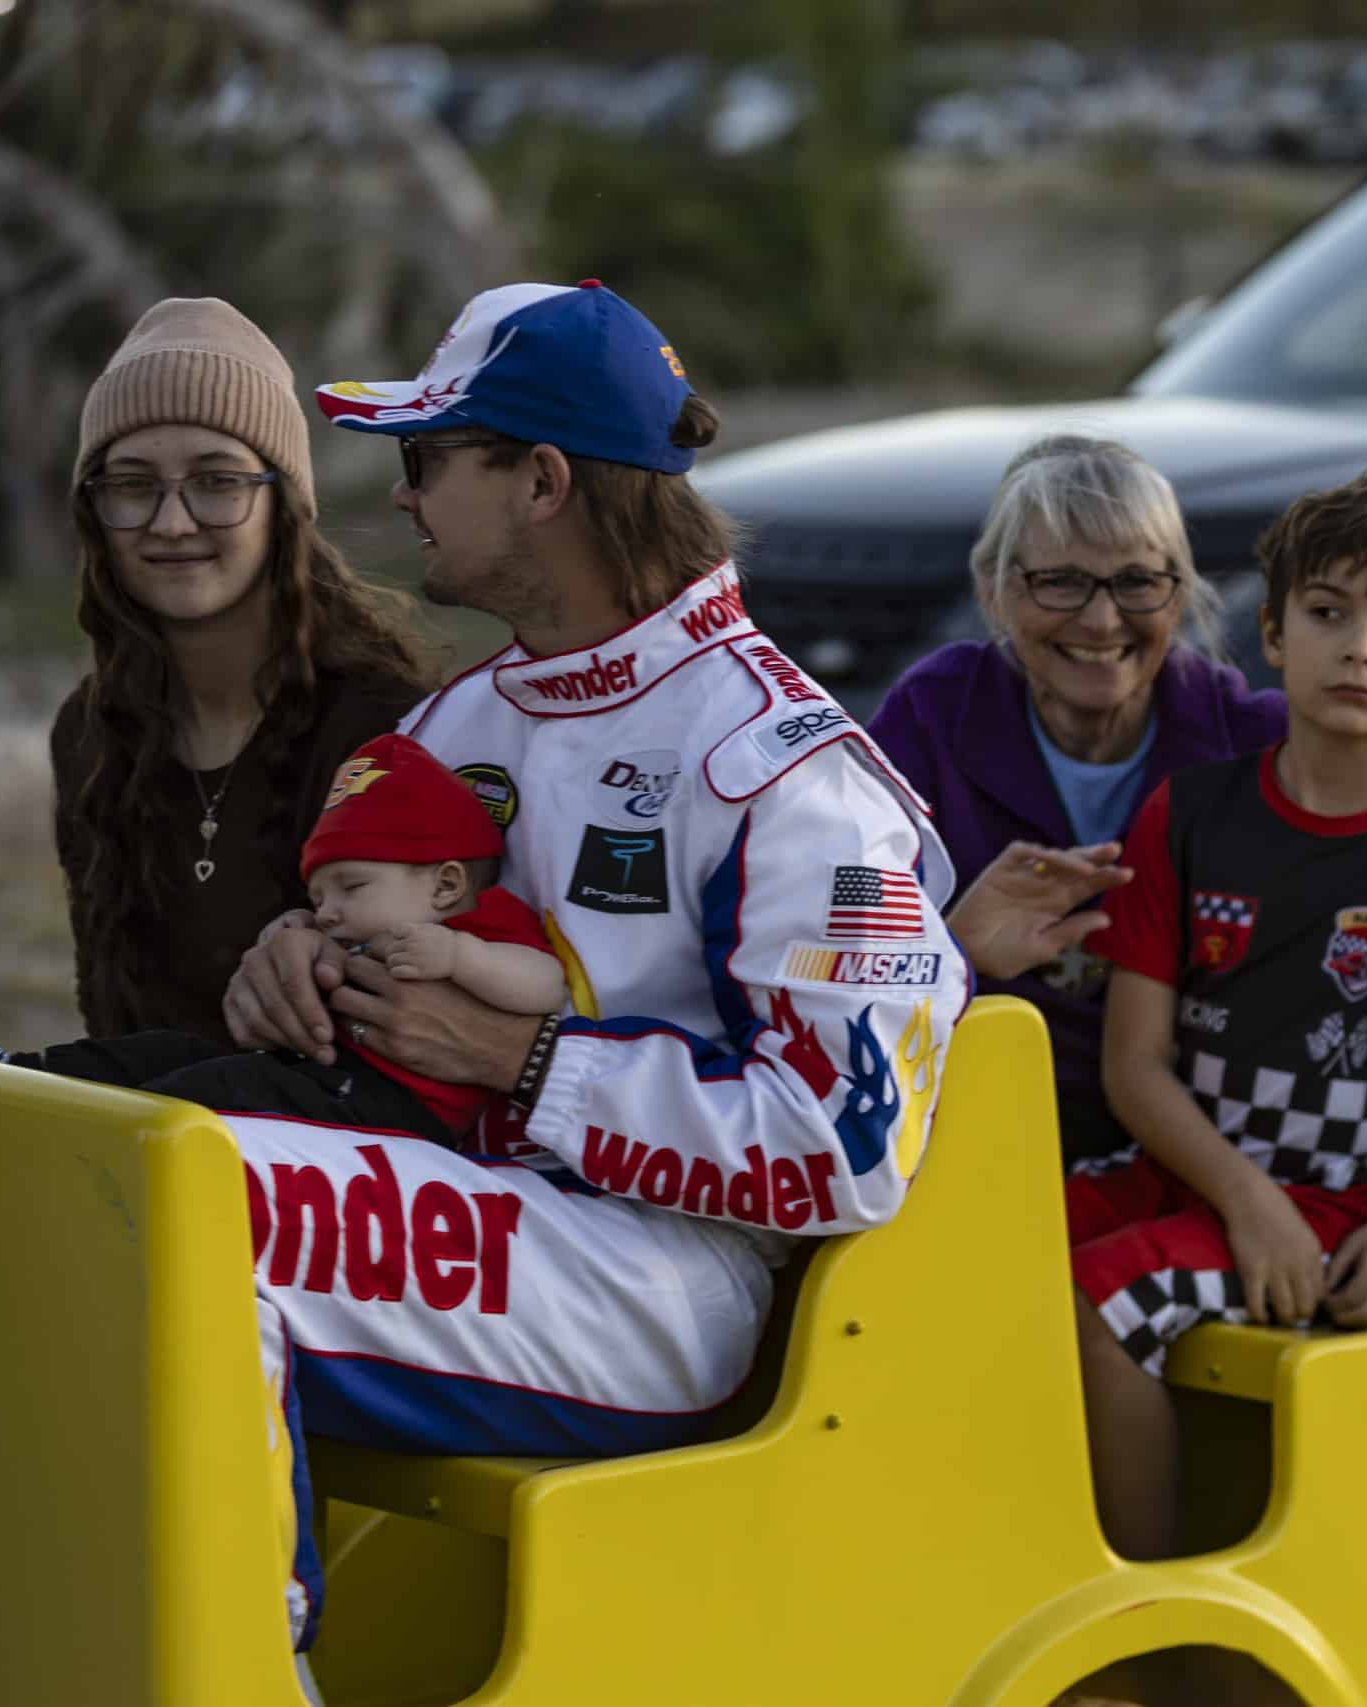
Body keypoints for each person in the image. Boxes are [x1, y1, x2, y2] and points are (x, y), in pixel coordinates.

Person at [211, 280, 974, 1668]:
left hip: (663, 1277)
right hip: (455, 1185)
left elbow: (844, 1148)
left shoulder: (796, 775)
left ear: (543, 481)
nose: (402, 498)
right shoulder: (464, 718)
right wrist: (293, 959)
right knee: (117, 1169)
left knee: (200, 1220)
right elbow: (378, 952)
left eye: (427, 458)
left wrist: (524, 1063)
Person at [868, 434, 1367, 1167]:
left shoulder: (1242, 735)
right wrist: (951, 946)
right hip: (958, 1133)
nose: (1101, 620)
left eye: (1137, 581)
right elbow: (833, 917)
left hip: (1186, 1154)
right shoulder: (935, 716)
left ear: (1180, 594)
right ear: (994, 590)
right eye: (1059, 581)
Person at [1068, 460, 1367, 1560]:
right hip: (1193, 1176)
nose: (1360, 648)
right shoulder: (1191, 814)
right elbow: (1135, 1063)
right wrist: (1244, 1199)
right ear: (1274, 635)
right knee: (973, 1245)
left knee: (1092, 1304)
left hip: (1344, 1216)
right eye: (1328, 613)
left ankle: (1149, 1611)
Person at [56, 297, 436, 1044]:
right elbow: (104, 1014)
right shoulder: (88, 732)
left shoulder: (386, 731)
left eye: (217, 481)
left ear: (283, 505)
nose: (172, 522)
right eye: (132, 484)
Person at [0, 734, 560, 1147]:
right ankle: (22, 1080)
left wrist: (462, 957)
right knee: (166, 1049)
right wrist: (293, 931)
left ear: (446, 884)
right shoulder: (359, 928)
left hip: (398, 1112)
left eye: (351, 887)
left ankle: (103, 1141)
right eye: (318, 896)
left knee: (229, 1090)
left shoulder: (479, 925)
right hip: (319, 1077)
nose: (330, 912)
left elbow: (546, 984)